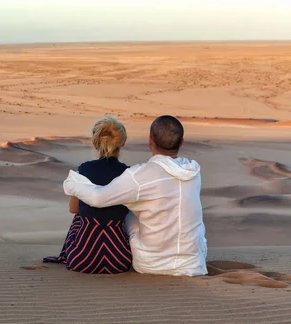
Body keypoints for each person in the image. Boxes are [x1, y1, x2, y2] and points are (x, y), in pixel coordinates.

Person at [63, 115, 207, 276]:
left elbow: (97, 199)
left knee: (128, 213)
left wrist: (71, 184)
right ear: (182, 142)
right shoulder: (194, 172)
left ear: (150, 140)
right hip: (193, 263)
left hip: (151, 264)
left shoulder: (139, 175)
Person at [44, 116, 132, 274]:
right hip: (118, 260)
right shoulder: (129, 173)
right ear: (123, 143)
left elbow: (73, 209)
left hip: (82, 259)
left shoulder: (84, 170)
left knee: (79, 217)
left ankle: (67, 253)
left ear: (95, 143)